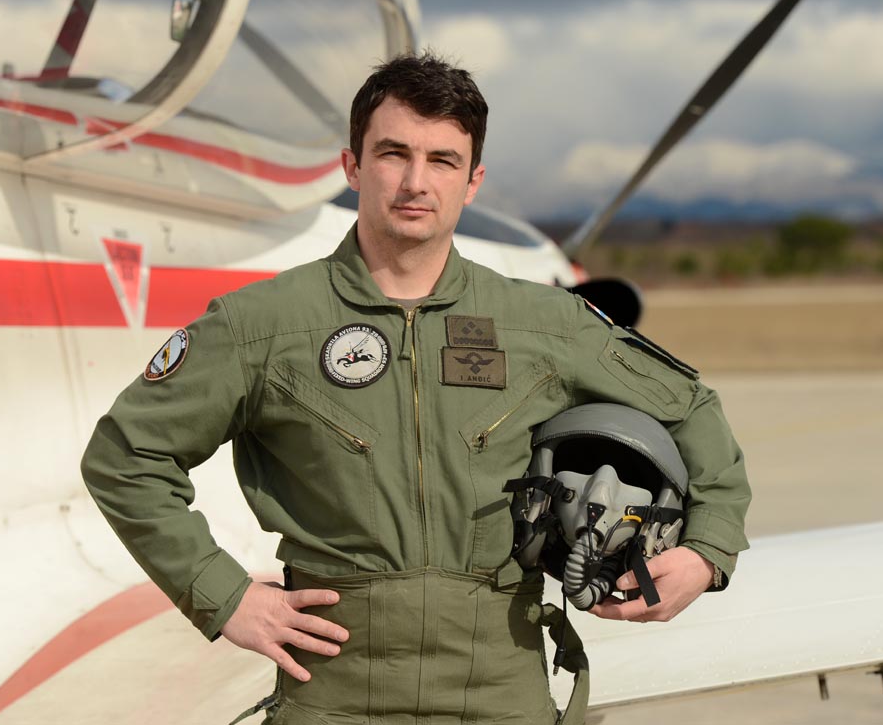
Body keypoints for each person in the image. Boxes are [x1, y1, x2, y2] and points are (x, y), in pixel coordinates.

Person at [80, 52, 750, 724]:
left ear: (473, 180)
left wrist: (706, 553)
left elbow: (691, 408)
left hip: (501, 690)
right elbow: (125, 456)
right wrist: (223, 595)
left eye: (442, 160)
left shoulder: (544, 323)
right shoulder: (262, 325)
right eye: (393, 153)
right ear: (352, 167)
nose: (415, 181)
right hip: (335, 689)